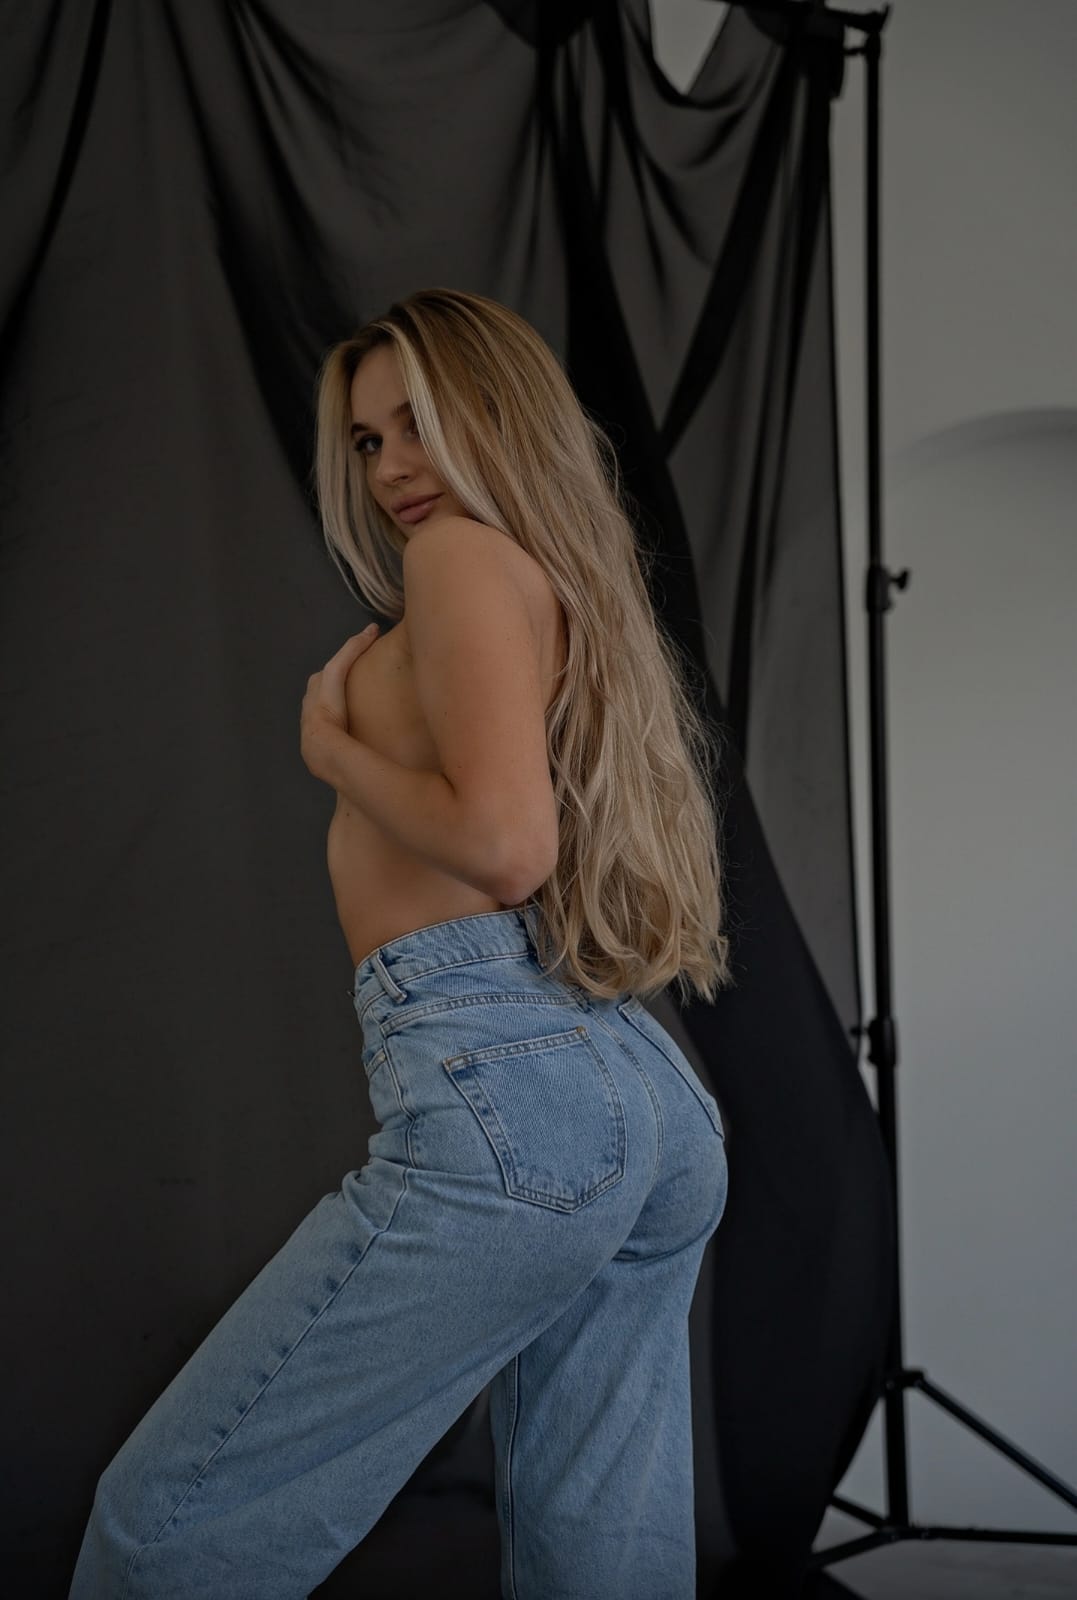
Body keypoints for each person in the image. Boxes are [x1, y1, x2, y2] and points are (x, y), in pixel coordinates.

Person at [69, 288, 734, 1599]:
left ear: (497, 415)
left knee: (170, 1524)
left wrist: (330, 754)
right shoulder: (542, 579)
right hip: (628, 1088)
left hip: (510, 1088)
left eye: (419, 423)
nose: (390, 469)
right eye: (369, 440)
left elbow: (506, 847)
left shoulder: (458, 561)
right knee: (595, 1547)